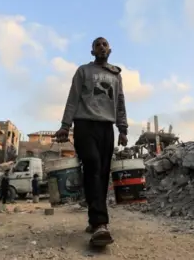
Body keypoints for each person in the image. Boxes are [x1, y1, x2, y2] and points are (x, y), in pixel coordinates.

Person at [54, 37, 128, 247]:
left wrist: (122, 128)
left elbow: (120, 101)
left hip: (106, 127)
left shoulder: (115, 74)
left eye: (104, 44)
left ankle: (94, 218)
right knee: (93, 164)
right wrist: (65, 125)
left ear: (110, 49)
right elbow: (73, 98)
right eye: (98, 45)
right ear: (92, 51)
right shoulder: (83, 71)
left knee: (102, 173)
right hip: (84, 125)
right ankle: (100, 224)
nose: (101, 47)